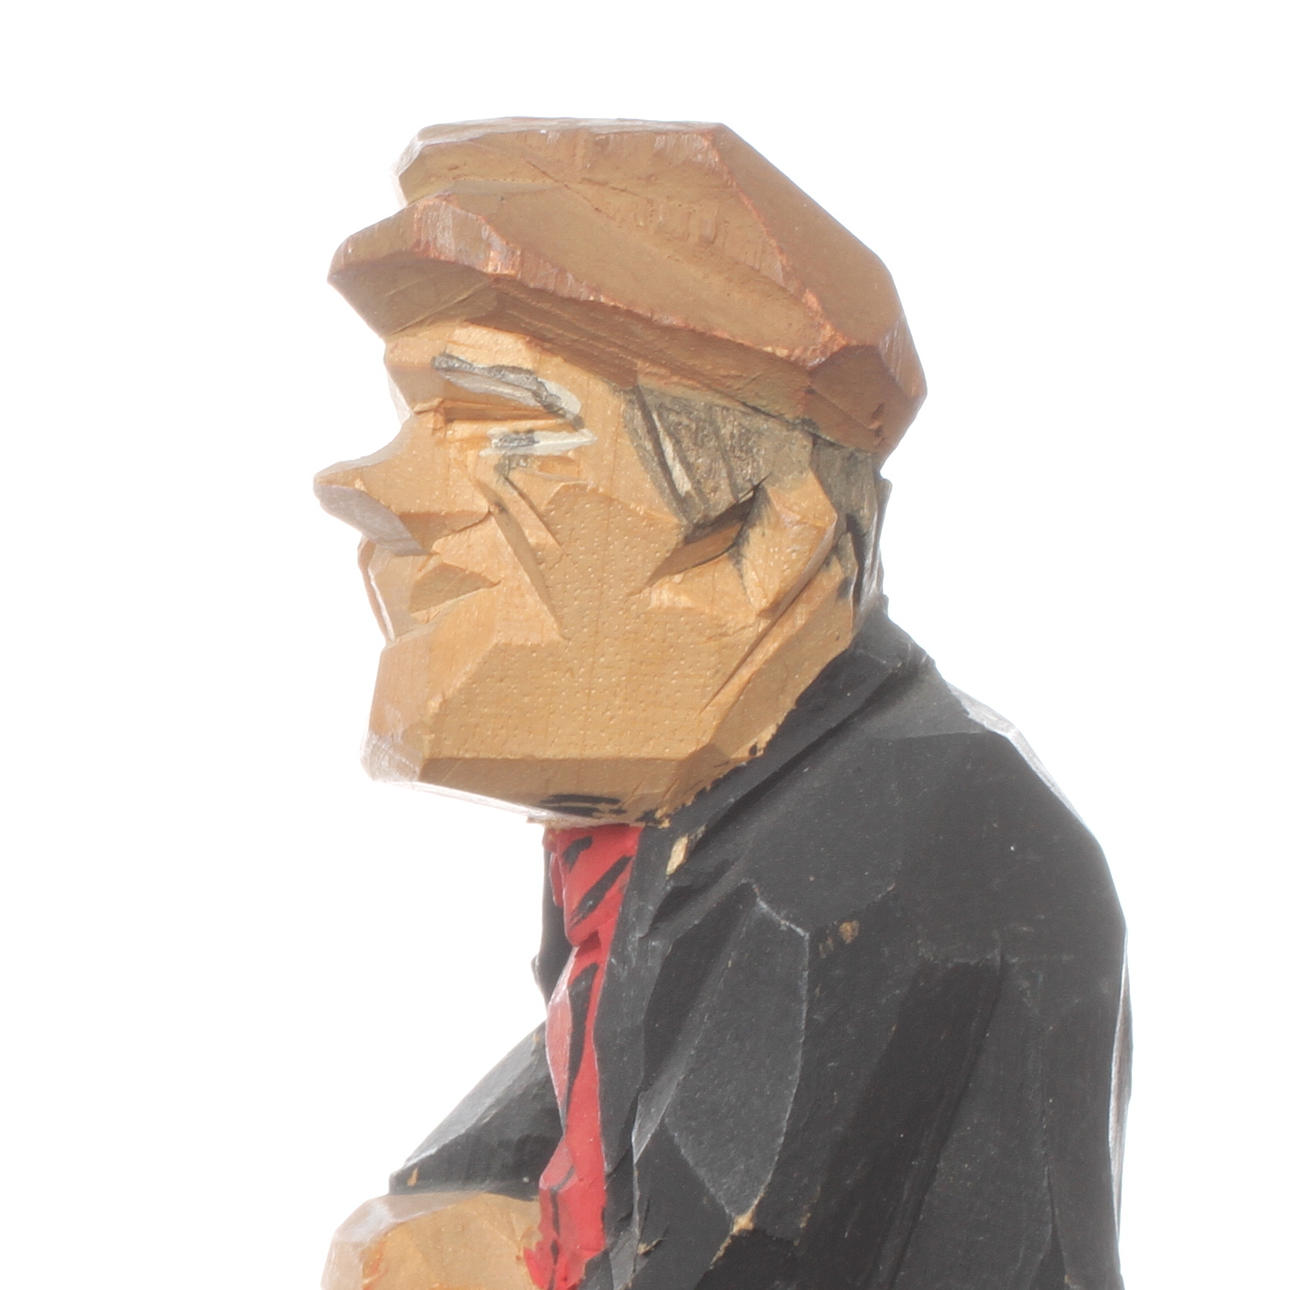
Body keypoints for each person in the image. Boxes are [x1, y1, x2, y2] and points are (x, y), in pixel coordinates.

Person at [317, 119, 1128, 1290]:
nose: (371, 488)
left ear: (762, 534)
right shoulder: (700, 817)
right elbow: (552, 1120)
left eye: (499, 425)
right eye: (413, 418)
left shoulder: (875, 851)